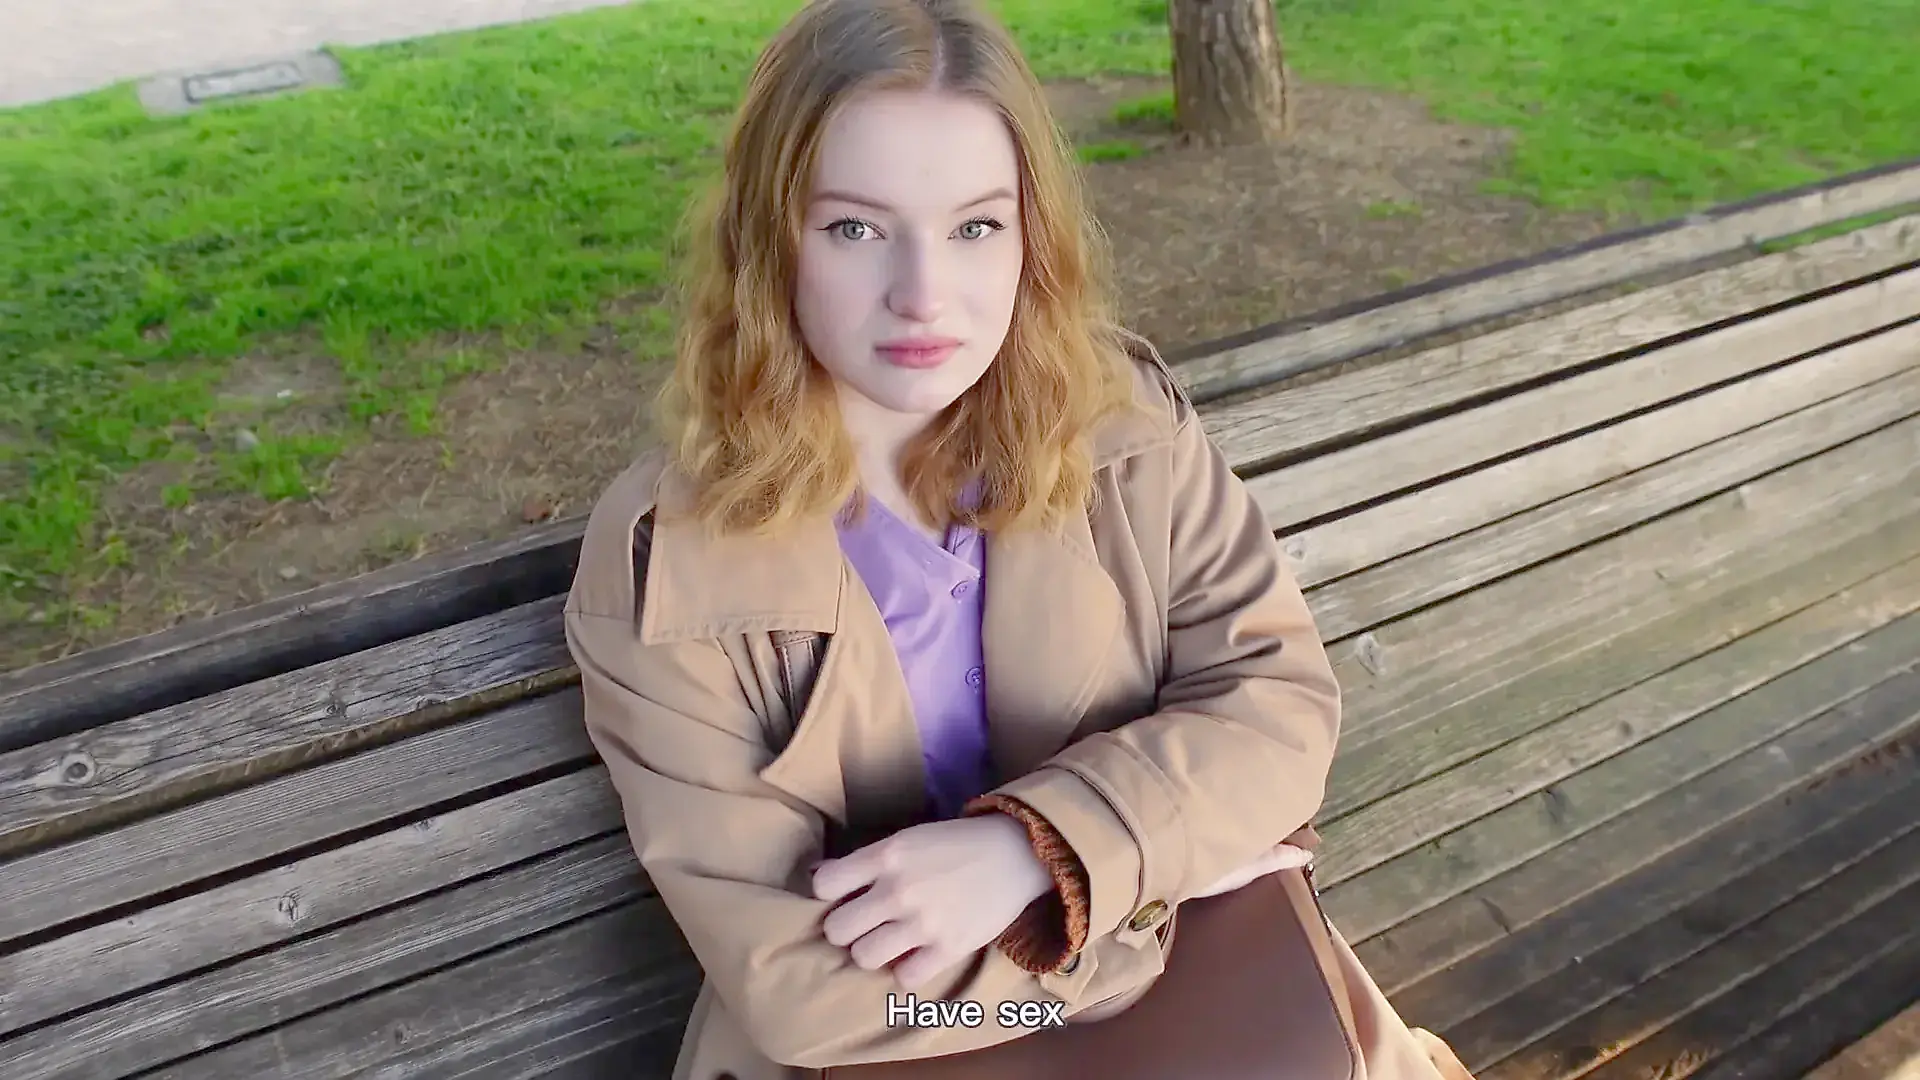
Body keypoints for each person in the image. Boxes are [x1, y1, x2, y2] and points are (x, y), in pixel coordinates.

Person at [565, 1, 1478, 1078]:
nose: (924, 296)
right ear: (771, 241)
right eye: (855, 228)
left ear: (1030, 235)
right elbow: (805, 995)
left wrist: (1029, 853)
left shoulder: (1123, 431)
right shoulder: (669, 558)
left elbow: (1278, 713)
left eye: (976, 227)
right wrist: (1125, 906)